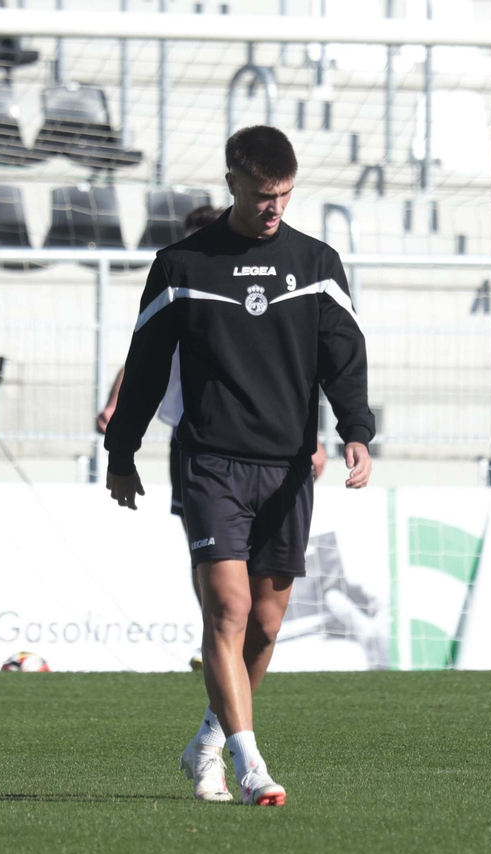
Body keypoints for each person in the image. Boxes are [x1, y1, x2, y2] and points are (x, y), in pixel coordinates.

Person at [104, 126, 375, 806]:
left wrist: (356, 431)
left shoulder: (316, 263)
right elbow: (143, 368)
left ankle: (208, 738)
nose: (273, 207)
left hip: (286, 469)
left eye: (284, 195)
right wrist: (121, 451)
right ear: (232, 182)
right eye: (261, 194)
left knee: (267, 622)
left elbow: (343, 356)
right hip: (210, 462)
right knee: (227, 607)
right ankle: (251, 764)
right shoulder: (181, 265)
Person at [97, 205, 327, 672]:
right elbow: (144, 356)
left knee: (254, 593)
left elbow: (292, 366)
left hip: (263, 446)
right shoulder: (182, 276)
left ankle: (226, 638)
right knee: (209, 553)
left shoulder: (240, 288)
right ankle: (220, 628)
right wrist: (116, 405)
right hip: (194, 441)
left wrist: (319, 436)